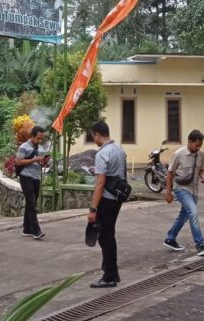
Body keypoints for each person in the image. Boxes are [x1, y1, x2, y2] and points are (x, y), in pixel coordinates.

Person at [87, 121, 127, 288]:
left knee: (105, 237)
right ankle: (113, 272)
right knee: (109, 235)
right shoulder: (119, 150)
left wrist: (93, 208)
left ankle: (109, 276)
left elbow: (100, 182)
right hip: (117, 198)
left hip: (106, 199)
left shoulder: (102, 153)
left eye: (93, 137)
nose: (94, 140)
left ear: (97, 134)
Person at [164, 129, 204, 257]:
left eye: (200, 145)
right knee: (193, 213)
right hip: (181, 189)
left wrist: (203, 176)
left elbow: (202, 170)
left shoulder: (201, 155)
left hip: (194, 191)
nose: (198, 147)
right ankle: (200, 245)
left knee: (184, 216)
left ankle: (170, 238)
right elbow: (170, 173)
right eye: (197, 145)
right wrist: (168, 192)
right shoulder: (178, 154)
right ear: (189, 142)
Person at [15, 126, 49, 240]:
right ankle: (36, 231)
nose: (40, 141)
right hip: (26, 177)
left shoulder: (41, 148)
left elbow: (40, 164)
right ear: (32, 136)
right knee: (32, 203)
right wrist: (34, 159)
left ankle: (26, 229)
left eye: (41, 139)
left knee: (31, 204)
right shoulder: (24, 147)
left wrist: (44, 162)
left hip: (36, 177)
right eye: (38, 138)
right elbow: (18, 161)